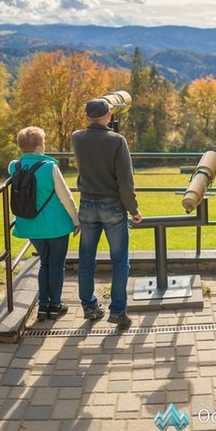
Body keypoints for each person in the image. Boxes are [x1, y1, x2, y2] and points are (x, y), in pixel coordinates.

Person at [71, 98, 142, 329]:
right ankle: (118, 311)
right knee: (120, 260)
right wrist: (133, 209)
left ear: (87, 116)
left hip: (87, 204)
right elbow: (125, 181)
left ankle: (89, 307)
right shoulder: (117, 141)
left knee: (87, 259)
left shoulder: (76, 138)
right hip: (112, 206)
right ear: (109, 116)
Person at [9, 126, 80, 320]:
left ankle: (43, 306)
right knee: (56, 265)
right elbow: (66, 197)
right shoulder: (50, 167)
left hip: (30, 225)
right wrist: (76, 220)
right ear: (40, 146)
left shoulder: (13, 167)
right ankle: (55, 305)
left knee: (44, 264)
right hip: (56, 226)